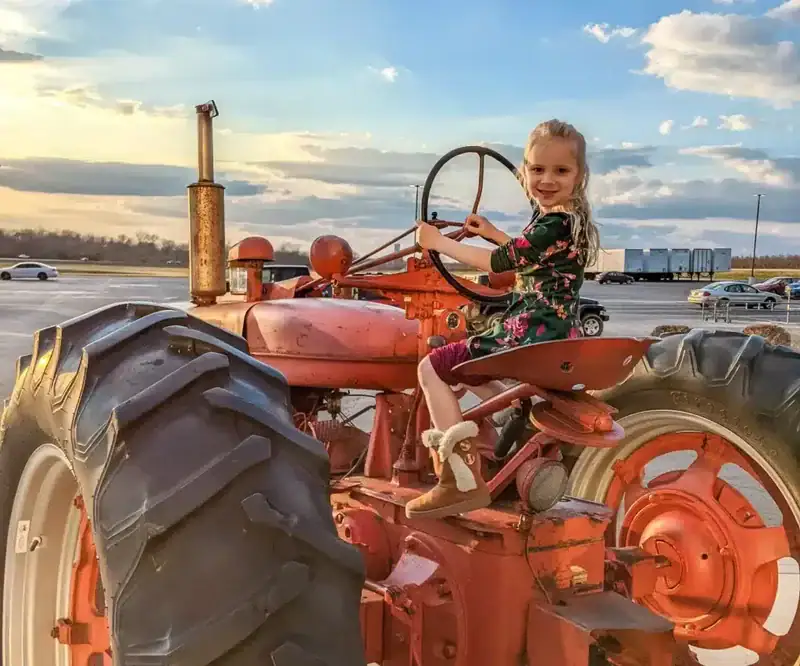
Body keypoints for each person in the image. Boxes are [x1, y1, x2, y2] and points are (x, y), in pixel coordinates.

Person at [405, 119, 601, 520]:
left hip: (531, 329)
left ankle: (457, 479)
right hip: (559, 329)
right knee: (471, 360)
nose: (546, 180)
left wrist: (437, 242)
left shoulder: (554, 222)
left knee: (432, 369)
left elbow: (499, 264)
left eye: (561, 170)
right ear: (524, 172)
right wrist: (493, 232)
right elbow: (528, 255)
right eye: (537, 170)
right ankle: (505, 411)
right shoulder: (568, 221)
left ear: (580, 175)